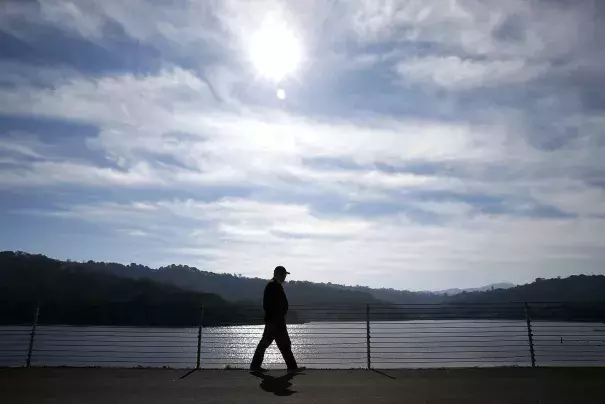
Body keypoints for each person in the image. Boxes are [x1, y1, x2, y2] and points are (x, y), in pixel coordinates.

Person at [250, 266, 305, 373]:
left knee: (269, 343)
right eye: (284, 274)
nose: (285, 276)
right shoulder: (273, 286)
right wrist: (277, 317)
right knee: (283, 344)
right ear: (278, 274)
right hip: (276, 321)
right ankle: (292, 367)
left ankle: (255, 366)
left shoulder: (274, 285)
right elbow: (271, 304)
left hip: (274, 321)